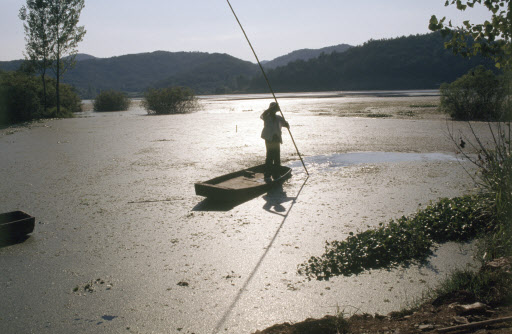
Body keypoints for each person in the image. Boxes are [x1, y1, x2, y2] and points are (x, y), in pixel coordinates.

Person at [260, 102, 289, 180]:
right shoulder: (267, 116)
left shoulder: (279, 118)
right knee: (270, 156)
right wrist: (271, 108)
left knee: (277, 157)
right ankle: (267, 175)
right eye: (273, 108)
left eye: (275, 109)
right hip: (269, 139)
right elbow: (262, 115)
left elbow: (285, 124)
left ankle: (276, 174)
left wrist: (287, 124)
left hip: (276, 139)